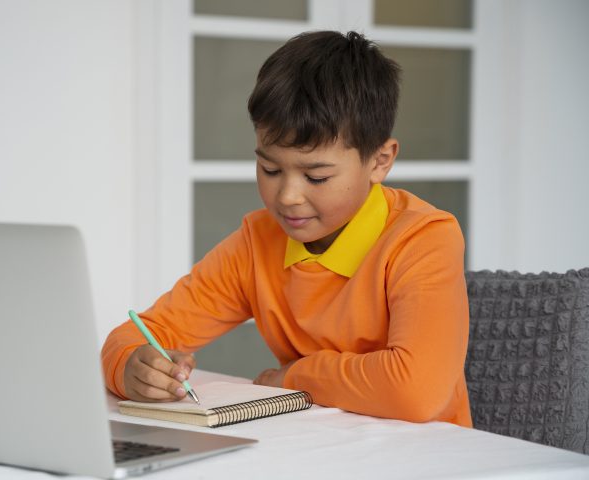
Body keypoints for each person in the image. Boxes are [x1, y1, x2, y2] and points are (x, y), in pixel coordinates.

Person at [101, 30, 471, 426]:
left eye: (316, 176)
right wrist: (131, 367)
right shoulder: (257, 242)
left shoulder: (423, 238)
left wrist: (294, 376)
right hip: (314, 448)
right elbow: (138, 334)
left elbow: (415, 392)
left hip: (427, 456)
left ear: (380, 161)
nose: (288, 196)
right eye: (270, 169)